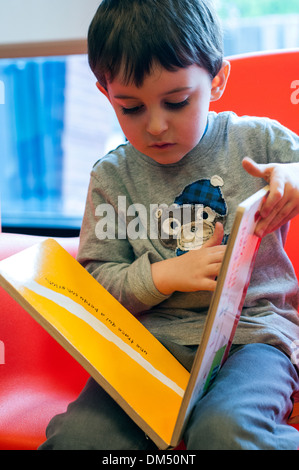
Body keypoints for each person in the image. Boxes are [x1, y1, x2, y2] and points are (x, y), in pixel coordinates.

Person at [39, 0, 299, 450]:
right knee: (78, 438)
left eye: (177, 102)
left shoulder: (260, 140)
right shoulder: (111, 177)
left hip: (253, 338)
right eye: (131, 108)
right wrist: (163, 276)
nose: (156, 125)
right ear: (105, 94)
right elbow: (94, 288)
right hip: (146, 349)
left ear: (217, 80)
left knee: (224, 432)